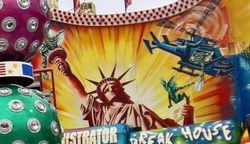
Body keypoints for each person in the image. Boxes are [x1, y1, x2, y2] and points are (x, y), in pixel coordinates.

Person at [48, 50, 193, 129]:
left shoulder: (139, 109)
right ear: (102, 97)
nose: (111, 88)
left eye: (115, 86)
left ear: (122, 90)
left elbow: (173, 137)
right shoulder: (101, 111)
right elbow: (81, 94)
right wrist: (68, 74)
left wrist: (188, 117)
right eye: (106, 89)